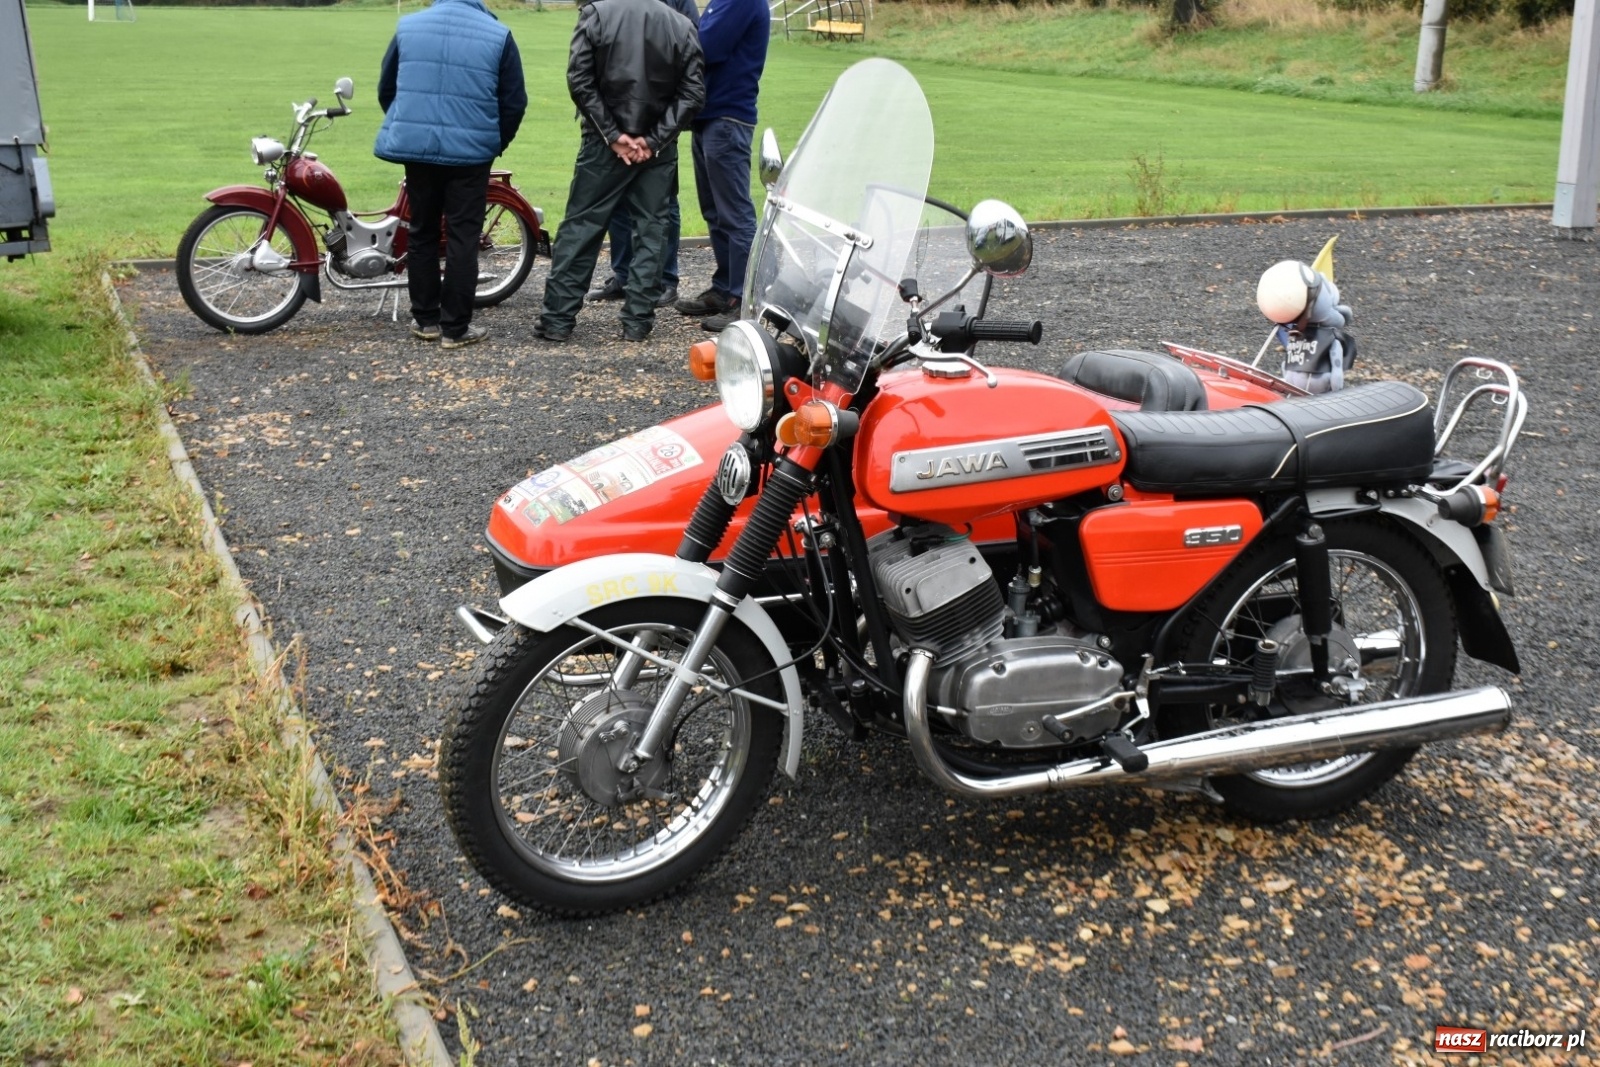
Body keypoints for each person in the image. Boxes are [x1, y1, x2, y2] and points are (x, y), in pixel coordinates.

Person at [537, 0, 703, 343]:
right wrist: (652, 140)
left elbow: (579, 78)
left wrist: (613, 136)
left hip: (606, 143)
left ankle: (557, 318)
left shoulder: (597, 14)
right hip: (652, 146)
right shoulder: (679, 24)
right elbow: (693, 92)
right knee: (652, 230)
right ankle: (638, 321)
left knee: (582, 225)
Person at [374, 0, 527, 350]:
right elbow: (514, 101)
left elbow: (387, 89)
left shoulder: (409, 26)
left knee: (422, 230)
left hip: (420, 148)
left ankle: (426, 319)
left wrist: (410, 127)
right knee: (463, 236)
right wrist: (494, 142)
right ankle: (455, 328)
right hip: (471, 153)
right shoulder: (498, 33)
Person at [585, 0, 701, 312]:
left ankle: (665, 280)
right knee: (618, 200)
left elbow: (690, 50)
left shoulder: (679, 4)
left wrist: (662, 125)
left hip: (658, 121)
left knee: (663, 204)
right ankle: (624, 275)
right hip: (615, 122)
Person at [674, 0, 767, 333]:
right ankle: (725, 288)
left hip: (727, 117)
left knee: (735, 213)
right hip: (709, 116)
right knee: (714, 211)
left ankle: (744, 299)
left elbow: (705, 46)